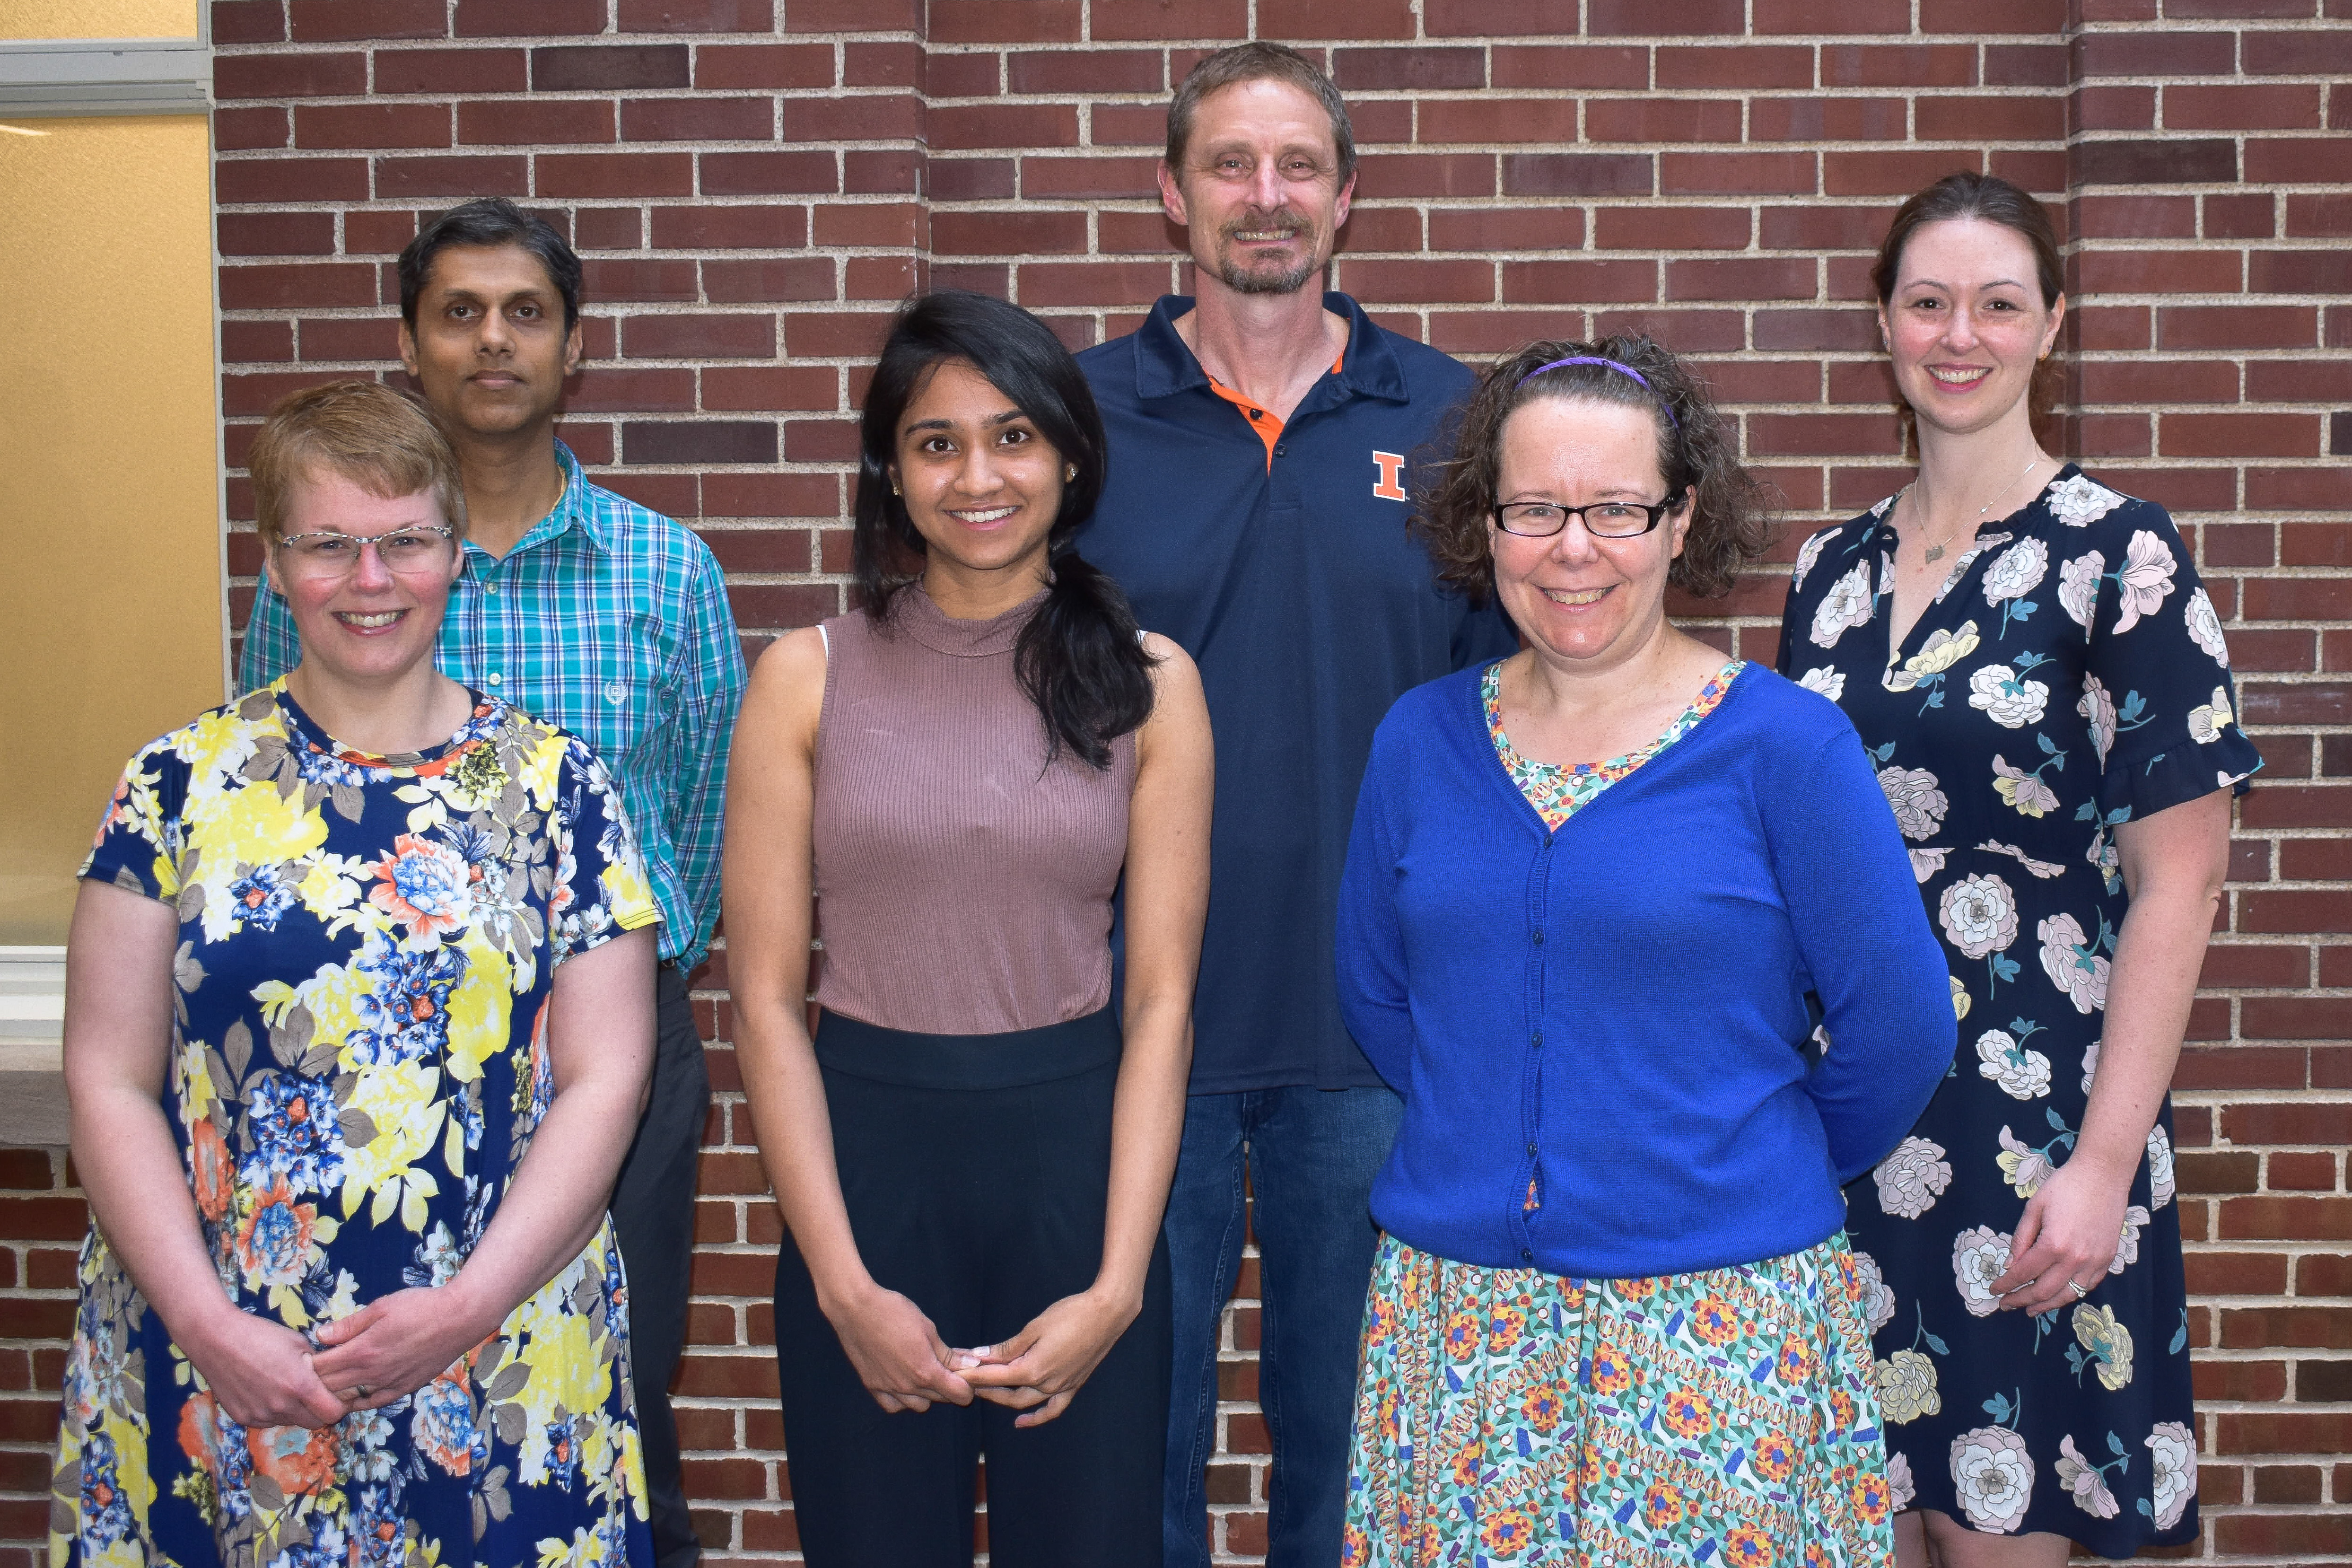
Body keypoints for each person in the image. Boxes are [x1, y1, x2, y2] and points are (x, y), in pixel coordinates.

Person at [1335, 337, 1959, 1566]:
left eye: (1616, 507)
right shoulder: (1415, 741)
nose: (1573, 547)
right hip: (1460, 1330)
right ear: (1485, 523)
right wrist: (1489, 1126)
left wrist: (1730, 1160)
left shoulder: (1788, 748)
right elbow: (1376, 993)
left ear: (1679, 520)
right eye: (1533, 508)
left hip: (1718, 1326)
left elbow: (1897, 1026)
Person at [52, 381, 659, 1568]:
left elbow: (606, 1075)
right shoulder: (175, 784)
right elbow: (109, 1077)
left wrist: (466, 1308)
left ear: (453, 550)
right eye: (326, 543)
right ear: (272, 563)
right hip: (221, 1351)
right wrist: (204, 1321)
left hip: (499, 1351)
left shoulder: (556, 788)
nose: (368, 579)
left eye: (404, 541)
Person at [239, 198, 744, 1568]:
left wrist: (609, 980)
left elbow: (703, 818)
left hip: (604, 1060)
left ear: (572, 346)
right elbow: (263, 793)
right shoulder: (354, 564)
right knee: (360, 1387)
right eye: (458, 312)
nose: (493, 340)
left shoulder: (664, 570)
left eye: (524, 311)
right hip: (360, 1061)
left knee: (612, 1395)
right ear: (412, 344)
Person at [1071, 44, 1519, 1567]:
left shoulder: (1462, 420)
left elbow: (1511, 720)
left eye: (1296, 168)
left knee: (1358, 1453)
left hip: (1376, 1029)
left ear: (1346, 198)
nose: (1264, 198)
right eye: (1228, 165)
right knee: (1135, 1443)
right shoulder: (1065, 426)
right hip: (1133, 1022)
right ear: (1170, 193)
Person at [1776, 171, 2260, 1562]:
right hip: (1851, 1123)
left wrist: (2104, 1161)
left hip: (2036, 1129)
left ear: (2050, 323)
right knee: (1858, 1529)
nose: (1957, 335)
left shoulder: (2122, 556)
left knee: (2001, 1532)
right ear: (1880, 326)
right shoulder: (1828, 570)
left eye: (1996, 304)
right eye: (1925, 303)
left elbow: (2176, 883)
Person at [724, 290, 1214, 1565]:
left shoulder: (1153, 682)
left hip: (1073, 1167)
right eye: (935, 442)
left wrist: (1116, 1287)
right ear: (891, 469)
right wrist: (839, 1281)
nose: (977, 475)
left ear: (1066, 455)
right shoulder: (803, 675)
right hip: (870, 1173)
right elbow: (767, 997)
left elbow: (1160, 999)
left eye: (1011, 436)